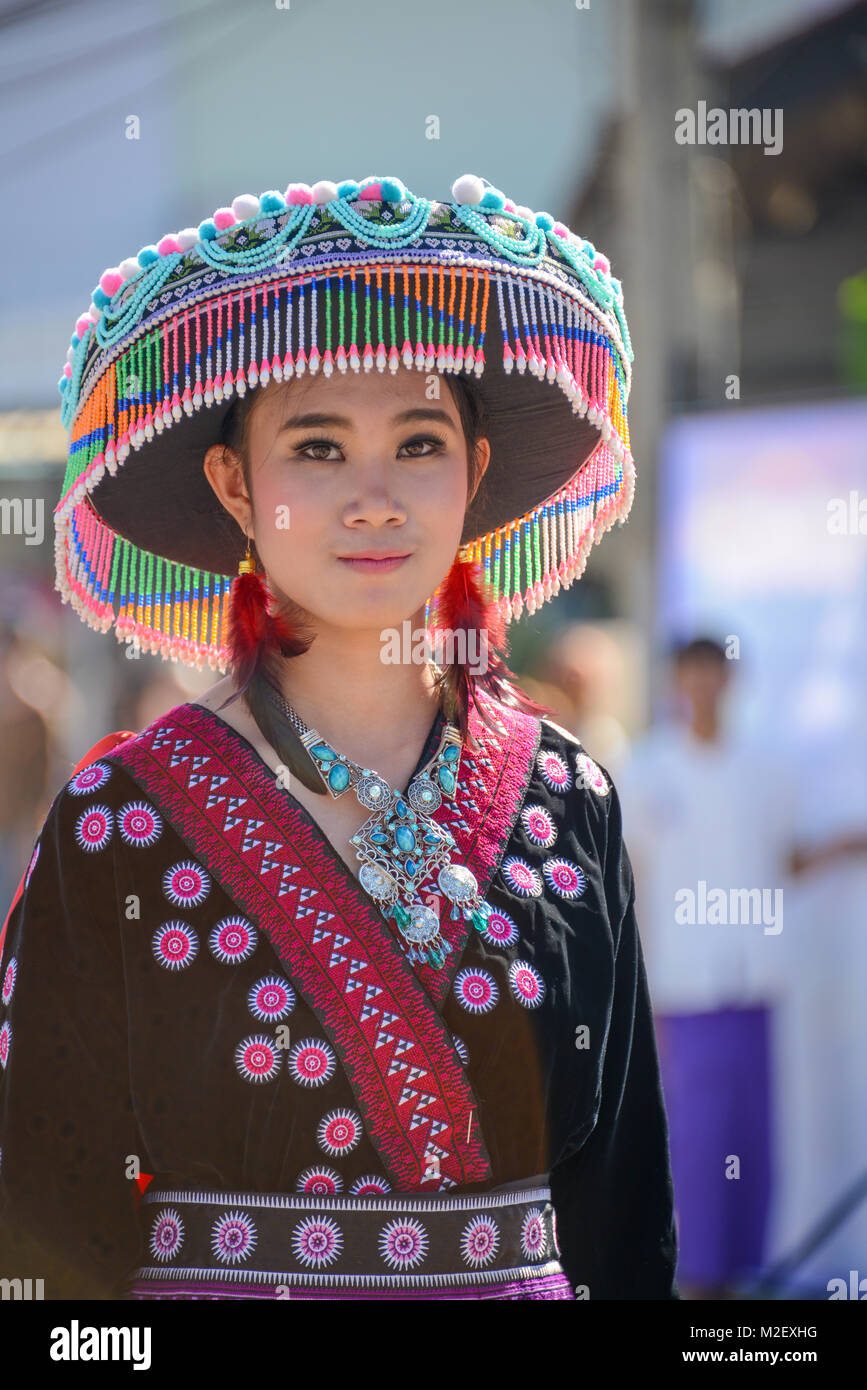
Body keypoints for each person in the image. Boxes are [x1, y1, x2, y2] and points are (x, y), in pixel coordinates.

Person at [0, 173, 677, 1300]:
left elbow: (621, 1203)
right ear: (232, 483)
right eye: (316, 448)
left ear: (476, 475)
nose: (374, 497)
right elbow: (41, 1239)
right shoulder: (121, 821)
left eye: (418, 443)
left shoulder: (569, 797)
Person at [616, 635, 863, 1298]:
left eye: (711, 673)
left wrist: (841, 847)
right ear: (674, 683)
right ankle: (695, 1279)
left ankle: (739, 1277)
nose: (700, 687)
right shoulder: (645, 772)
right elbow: (628, 883)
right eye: (688, 675)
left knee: (751, 1139)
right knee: (696, 1142)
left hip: (751, 980)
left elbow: (781, 859)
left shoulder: (766, 772)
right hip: (681, 988)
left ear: (729, 680)